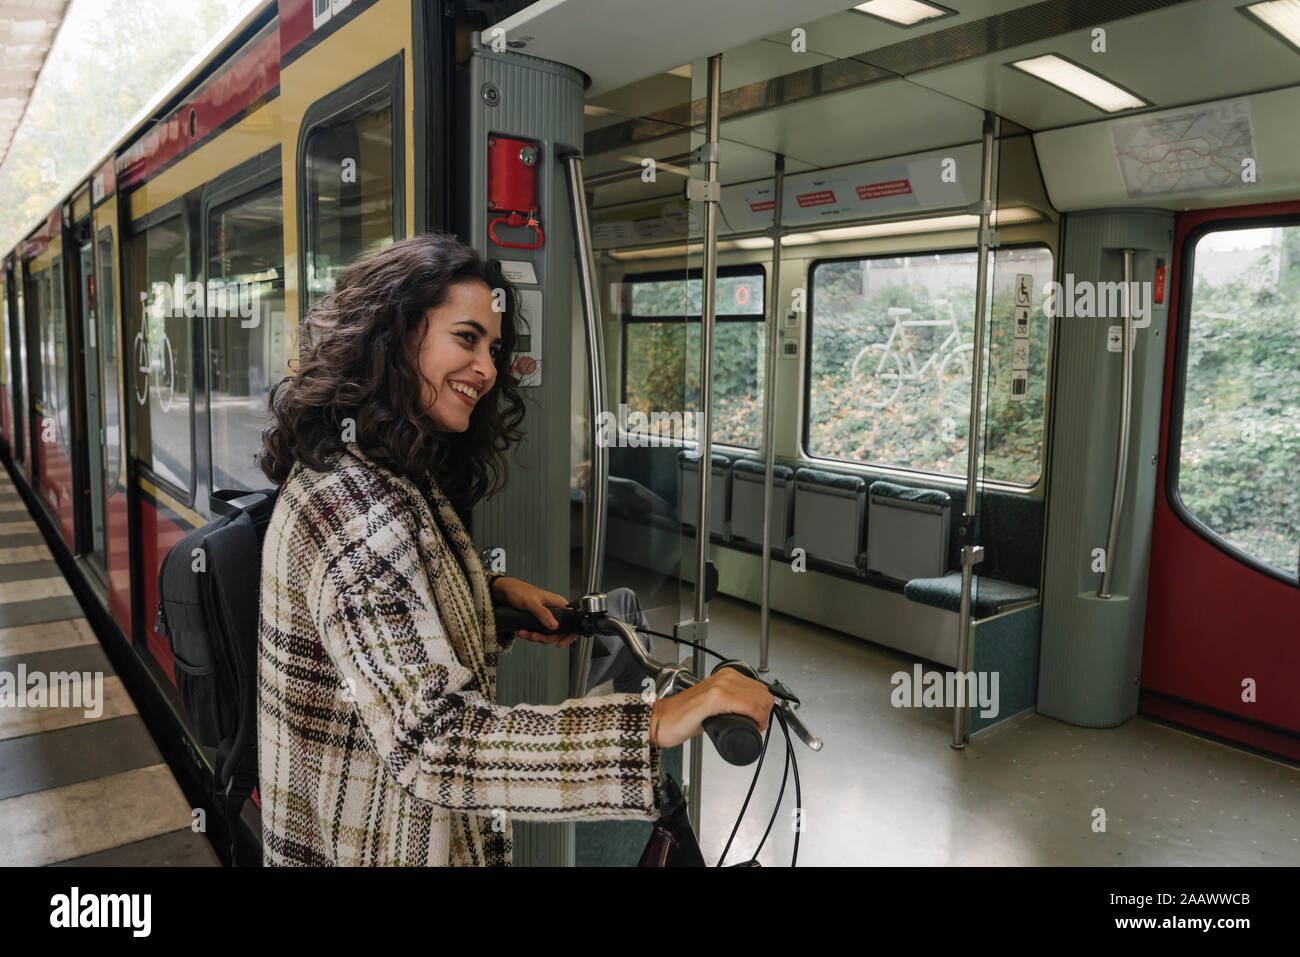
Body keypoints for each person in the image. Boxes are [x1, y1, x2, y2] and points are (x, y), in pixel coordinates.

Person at [255, 232, 773, 866]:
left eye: (493, 349)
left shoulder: (377, 470)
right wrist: (655, 724)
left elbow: (386, 622)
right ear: (390, 336)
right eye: (466, 338)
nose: (488, 369)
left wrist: (486, 601)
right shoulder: (356, 508)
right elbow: (434, 744)